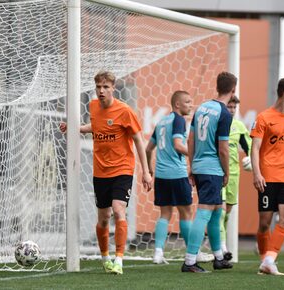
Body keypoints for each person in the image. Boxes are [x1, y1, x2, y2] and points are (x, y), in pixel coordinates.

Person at [60, 71, 152, 275]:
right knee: (103, 217)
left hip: (122, 169)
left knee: (119, 210)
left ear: (113, 88)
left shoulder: (125, 111)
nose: (101, 91)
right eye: (98, 87)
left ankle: (119, 260)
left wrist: (145, 171)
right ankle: (105, 258)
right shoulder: (93, 107)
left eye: (105, 87)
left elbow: (138, 140)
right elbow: (97, 126)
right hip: (100, 171)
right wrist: (77, 128)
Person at [182, 71, 237, 273]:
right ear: (233, 90)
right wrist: (227, 173)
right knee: (204, 212)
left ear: (217, 86)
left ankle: (219, 258)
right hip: (213, 169)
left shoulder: (202, 108)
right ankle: (189, 262)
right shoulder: (224, 113)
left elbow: (190, 140)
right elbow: (223, 149)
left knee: (216, 213)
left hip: (199, 166)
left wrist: (192, 166)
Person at [250, 77, 284, 276]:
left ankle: (270, 259)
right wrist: (257, 174)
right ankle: (264, 261)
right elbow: (255, 149)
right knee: (264, 222)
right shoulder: (263, 117)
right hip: (268, 176)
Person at [146, 90, 193, 264]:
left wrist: (150, 170)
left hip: (162, 176)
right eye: (187, 102)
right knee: (186, 213)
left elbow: (148, 149)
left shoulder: (161, 122)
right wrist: (196, 155)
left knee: (165, 214)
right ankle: (192, 253)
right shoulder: (179, 120)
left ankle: (158, 253)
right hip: (178, 174)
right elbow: (178, 145)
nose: (190, 105)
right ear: (177, 104)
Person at [220, 95, 252, 259]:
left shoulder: (239, 126)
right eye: (229, 107)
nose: (231, 110)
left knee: (227, 213)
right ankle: (223, 248)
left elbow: (249, 148)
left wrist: (250, 159)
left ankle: (219, 243)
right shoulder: (217, 123)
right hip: (218, 173)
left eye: (234, 107)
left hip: (233, 174)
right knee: (221, 211)